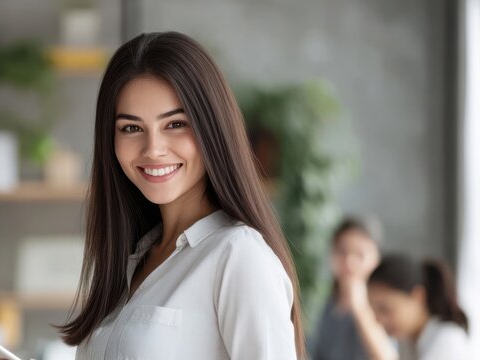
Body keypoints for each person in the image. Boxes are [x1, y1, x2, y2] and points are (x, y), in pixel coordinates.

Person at [57, 31, 304, 359]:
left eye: (175, 124)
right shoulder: (133, 259)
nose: (153, 149)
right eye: (131, 128)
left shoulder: (239, 256)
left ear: (211, 128)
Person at [350, 255, 470, 360]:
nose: (379, 320)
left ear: (418, 296)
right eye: (374, 311)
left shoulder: (447, 340)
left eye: (385, 309)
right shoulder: (407, 342)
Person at [313, 216, 383, 360]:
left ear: (376, 258)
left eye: (360, 255)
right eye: (342, 252)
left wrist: (360, 308)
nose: (349, 262)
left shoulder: (382, 305)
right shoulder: (329, 304)